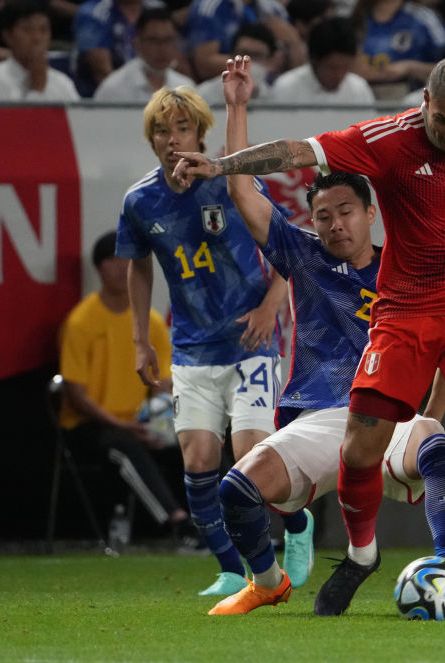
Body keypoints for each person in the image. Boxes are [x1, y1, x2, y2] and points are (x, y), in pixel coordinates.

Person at [172, 54, 445, 617]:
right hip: (400, 320)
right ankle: (356, 557)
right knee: (353, 448)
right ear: (425, 105)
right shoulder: (380, 148)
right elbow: (292, 153)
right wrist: (222, 165)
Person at [207, 57, 445, 613]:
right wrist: (236, 106)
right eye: (322, 215)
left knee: (437, 449)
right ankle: (268, 581)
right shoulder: (303, 256)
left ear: (371, 213)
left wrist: (432, 414)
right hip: (320, 417)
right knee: (235, 490)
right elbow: (245, 196)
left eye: (345, 211)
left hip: (390, 413)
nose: (334, 224)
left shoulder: (409, 265)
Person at [116, 86, 301, 597]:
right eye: (162, 130)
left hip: (251, 343)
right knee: (197, 462)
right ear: (151, 138)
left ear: (201, 133)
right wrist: (141, 338)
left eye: (182, 129)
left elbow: (290, 250)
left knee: (252, 459)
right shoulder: (140, 200)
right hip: (193, 349)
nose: (172, 140)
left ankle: (298, 525)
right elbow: (138, 265)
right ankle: (231, 571)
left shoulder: (233, 186)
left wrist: (270, 308)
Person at [59, 231, 190, 537]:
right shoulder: (80, 322)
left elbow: (164, 383)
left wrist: (163, 421)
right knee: (124, 445)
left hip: (141, 420)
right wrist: (123, 425)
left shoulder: (152, 322)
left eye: (127, 260)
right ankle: (179, 523)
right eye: (113, 260)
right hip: (89, 425)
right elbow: (76, 395)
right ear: (99, 268)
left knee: (200, 437)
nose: (121, 267)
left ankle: (229, 523)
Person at [0, 0, 79, 100]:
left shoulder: (63, 83)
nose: (37, 38)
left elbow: (79, 119)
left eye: (43, 30)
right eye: (27, 29)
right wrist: (37, 90)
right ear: (8, 36)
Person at [186, 0, 304, 83]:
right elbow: (205, 63)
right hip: (225, 91)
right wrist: (257, 69)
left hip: (271, 92)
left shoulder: (274, 9)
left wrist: (295, 44)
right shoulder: (211, 6)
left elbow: (296, 67)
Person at [351, 0, 445, 100]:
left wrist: (409, 67)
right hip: (362, 94)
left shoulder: (423, 18)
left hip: (411, 97)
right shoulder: (357, 16)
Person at [92, 6, 194, 102]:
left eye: (168, 40)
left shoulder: (185, 87)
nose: (162, 48)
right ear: (136, 44)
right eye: (153, 40)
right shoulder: (114, 88)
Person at [268, 16, 375, 104]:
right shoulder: (287, 87)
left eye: (345, 67)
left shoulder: (359, 89)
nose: (339, 75)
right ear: (314, 60)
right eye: (332, 67)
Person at [196, 22, 282, 105]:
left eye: (257, 56)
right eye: (243, 54)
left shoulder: (275, 98)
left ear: (271, 61)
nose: (247, 61)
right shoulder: (205, 95)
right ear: (231, 57)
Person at [71, 0, 144, 97]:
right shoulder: (94, 12)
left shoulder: (156, 9)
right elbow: (103, 73)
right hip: (99, 99)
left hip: (149, 93)